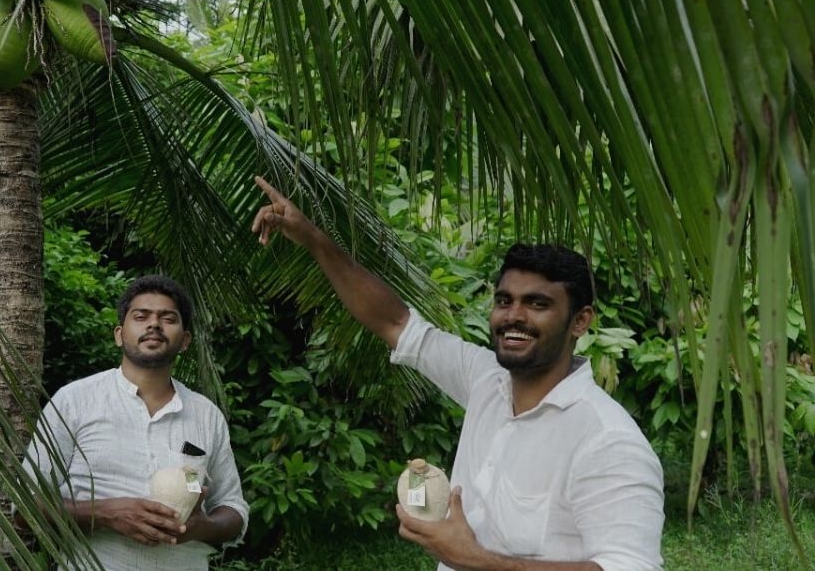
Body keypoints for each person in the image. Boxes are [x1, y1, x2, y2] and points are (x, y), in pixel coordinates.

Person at [252, 177, 664, 570]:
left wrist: (480, 563)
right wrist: (313, 238)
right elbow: (397, 324)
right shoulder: (486, 380)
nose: (513, 316)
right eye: (504, 301)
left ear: (580, 321)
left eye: (537, 304)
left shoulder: (607, 439)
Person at [23, 274, 248, 570]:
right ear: (119, 334)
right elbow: (25, 503)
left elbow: (232, 509)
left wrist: (199, 527)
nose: (154, 324)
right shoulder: (74, 401)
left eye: (168, 318)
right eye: (141, 316)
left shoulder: (206, 416)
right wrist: (104, 514)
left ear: (185, 341)